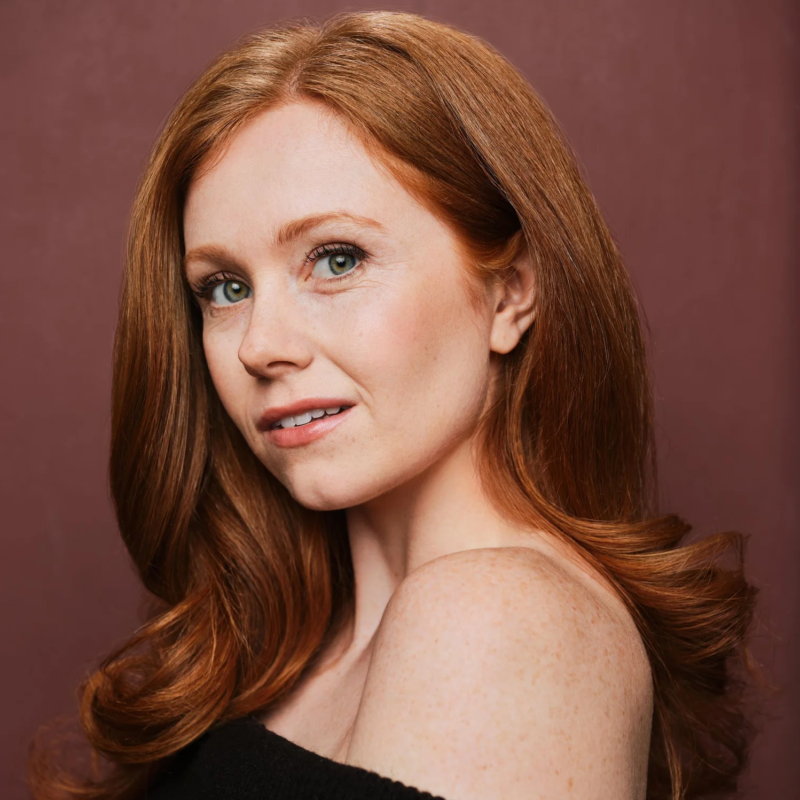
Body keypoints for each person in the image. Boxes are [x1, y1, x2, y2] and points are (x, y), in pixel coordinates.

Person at [30, 10, 759, 800]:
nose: (259, 345)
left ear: (510, 293)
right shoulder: (283, 655)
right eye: (225, 288)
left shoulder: (503, 618)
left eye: (336, 259)